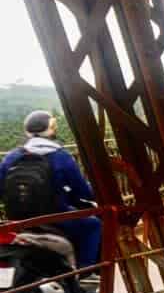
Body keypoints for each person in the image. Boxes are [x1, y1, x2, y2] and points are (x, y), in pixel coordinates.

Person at [0, 111, 101, 270]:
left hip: (19, 219)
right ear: (52, 129)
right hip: (56, 216)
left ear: (27, 131)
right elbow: (83, 192)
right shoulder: (61, 156)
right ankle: (86, 270)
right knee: (93, 225)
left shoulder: (11, 157)